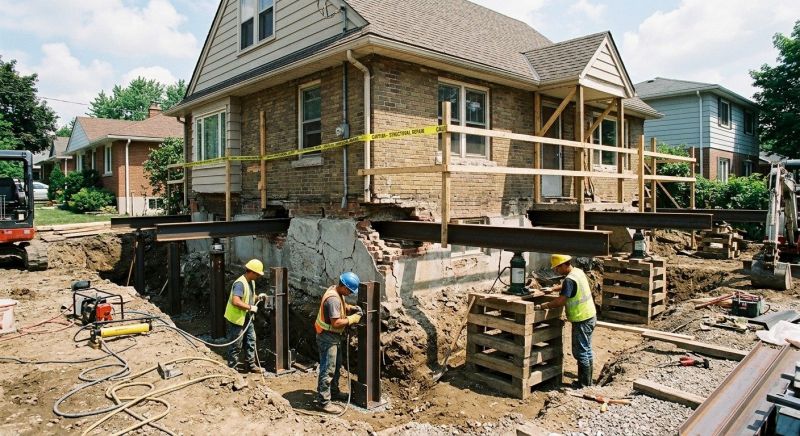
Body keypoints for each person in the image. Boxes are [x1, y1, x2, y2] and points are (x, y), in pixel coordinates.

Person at [536, 254, 597, 388]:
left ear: (564, 265)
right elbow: (568, 287)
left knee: (581, 352)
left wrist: (543, 306)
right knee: (586, 349)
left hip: (582, 319)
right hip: (589, 316)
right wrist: (553, 288)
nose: (556, 271)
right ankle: (587, 382)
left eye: (557, 268)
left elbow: (560, 301)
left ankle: (584, 385)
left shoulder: (570, 280)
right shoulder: (577, 272)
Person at [314, 271, 363, 414]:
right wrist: (352, 319)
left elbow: (341, 306)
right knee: (328, 369)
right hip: (327, 337)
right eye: (349, 290)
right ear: (344, 286)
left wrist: (350, 308)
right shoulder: (333, 299)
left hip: (333, 337)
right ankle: (323, 402)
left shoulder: (335, 290)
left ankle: (333, 392)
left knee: (336, 367)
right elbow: (336, 322)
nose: (350, 293)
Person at [224, 259, 267, 373]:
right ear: (251, 272)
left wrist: (258, 297)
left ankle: (251, 365)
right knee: (236, 345)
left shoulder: (251, 282)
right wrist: (250, 307)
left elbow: (250, 295)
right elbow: (236, 301)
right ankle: (232, 370)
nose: (258, 276)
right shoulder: (239, 284)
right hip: (236, 319)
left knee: (251, 340)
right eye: (257, 274)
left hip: (247, 318)